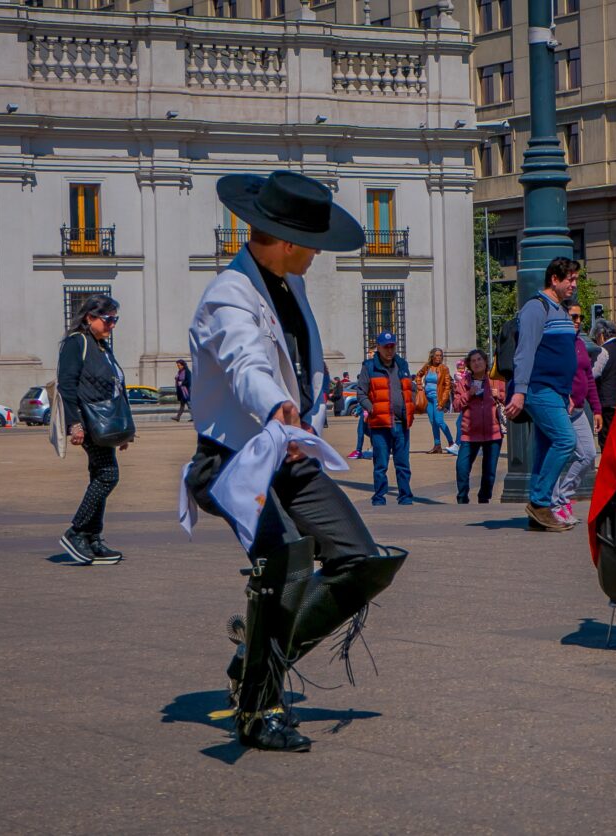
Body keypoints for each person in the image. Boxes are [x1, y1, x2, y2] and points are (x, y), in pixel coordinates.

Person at [185, 171, 406, 752]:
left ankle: (252, 658)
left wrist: (303, 409)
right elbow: (245, 362)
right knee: (284, 562)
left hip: (289, 454)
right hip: (234, 461)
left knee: (361, 561)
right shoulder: (227, 296)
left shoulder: (288, 283)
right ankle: (257, 709)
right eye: (314, 243)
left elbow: (294, 356)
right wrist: (277, 403)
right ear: (287, 241)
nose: (318, 254)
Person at [503, 257, 579, 532]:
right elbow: (524, 353)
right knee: (565, 440)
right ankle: (539, 503)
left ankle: (538, 514)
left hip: (556, 391)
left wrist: (566, 392)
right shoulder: (536, 308)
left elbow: (560, 356)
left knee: (546, 447)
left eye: (575, 279)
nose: (574, 284)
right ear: (554, 280)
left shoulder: (560, 309)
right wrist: (520, 392)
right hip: (539, 388)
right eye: (569, 279)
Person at [56, 293, 131, 565]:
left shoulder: (102, 347)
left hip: (105, 424)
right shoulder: (77, 343)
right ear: (90, 317)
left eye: (115, 319)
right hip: (88, 422)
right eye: (109, 319)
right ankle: (76, 531)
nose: (113, 325)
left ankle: (93, 536)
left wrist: (123, 431)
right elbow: (66, 384)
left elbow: (116, 388)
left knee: (100, 475)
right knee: (109, 476)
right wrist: (74, 424)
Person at [550, 301, 603, 525]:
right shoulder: (557, 344)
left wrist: (597, 409)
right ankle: (555, 504)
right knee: (558, 455)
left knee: (589, 455)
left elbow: (588, 377)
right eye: (573, 317)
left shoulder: (580, 344)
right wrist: (564, 395)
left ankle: (564, 496)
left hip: (580, 410)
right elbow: (551, 373)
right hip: (562, 408)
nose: (578, 321)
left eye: (580, 317)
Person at [358, 331, 415, 505]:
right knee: (380, 466)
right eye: (386, 347)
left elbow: (409, 389)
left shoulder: (402, 364)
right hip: (380, 425)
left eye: (392, 346)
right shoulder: (369, 366)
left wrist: (411, 402)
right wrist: (372, 408)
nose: (390, 350)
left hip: (401, 423)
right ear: (379, 347)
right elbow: (361, 393)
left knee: (403, 465)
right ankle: (379, 498)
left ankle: (405, 497)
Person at [453, 349, 505, 503]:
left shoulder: (495, 379)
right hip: (470, 433)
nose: (476, 363)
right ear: (469, 364)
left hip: (493, 431)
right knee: (462, 467)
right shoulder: (464, 382)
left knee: (489, 472)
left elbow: (508, 398)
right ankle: (462, 497)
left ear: (485, 361)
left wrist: (499, 395)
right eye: (473, 361)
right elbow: (455, 405)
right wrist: (469, 394)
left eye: (479, 360)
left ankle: (484, 498)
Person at [590, 318, 616, 448]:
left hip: (607, 404)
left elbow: (592, 374)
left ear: (601, 335)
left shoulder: (603, 351)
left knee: (606, 442)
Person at [416, 347, 455, 454]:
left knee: (439, 421)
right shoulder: (427, 367)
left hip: (438, 398)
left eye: (440, 356)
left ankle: (452, 443)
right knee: (433, 422)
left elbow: (447, 387)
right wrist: (419, 385)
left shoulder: (444, 368)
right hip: (428, 399)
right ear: (432, 356)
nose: (439, 357)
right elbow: (418, 375)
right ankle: (437, 445)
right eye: (437, 355)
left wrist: (442, 402)